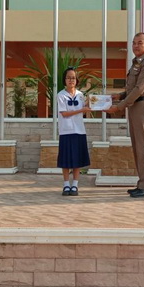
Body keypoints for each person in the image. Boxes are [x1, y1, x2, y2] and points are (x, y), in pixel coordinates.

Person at [106, 32, 144, 198]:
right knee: (137, 147)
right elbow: (131, 89)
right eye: (134, 43)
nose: (136, 46)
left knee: (143, 147)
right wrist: (118, 96)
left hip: (142, 106)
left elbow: (139, 89)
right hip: (135, 106)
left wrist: (119, 106)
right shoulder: (137, 63)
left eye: (140, 43)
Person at [56, 68, 92, 196]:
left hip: (79, 130)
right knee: (65, 159)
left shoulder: (80, 95)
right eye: (68, 77)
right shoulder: (61, 95)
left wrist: (92, 102)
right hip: (66, 131)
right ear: (64, 80)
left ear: (77, 80)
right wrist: (81, 110)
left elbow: (84, 108)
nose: (71, 80)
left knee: (77, 159)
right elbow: (64, 113)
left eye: (73, 78)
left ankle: (75, 185)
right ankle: (66, 184)